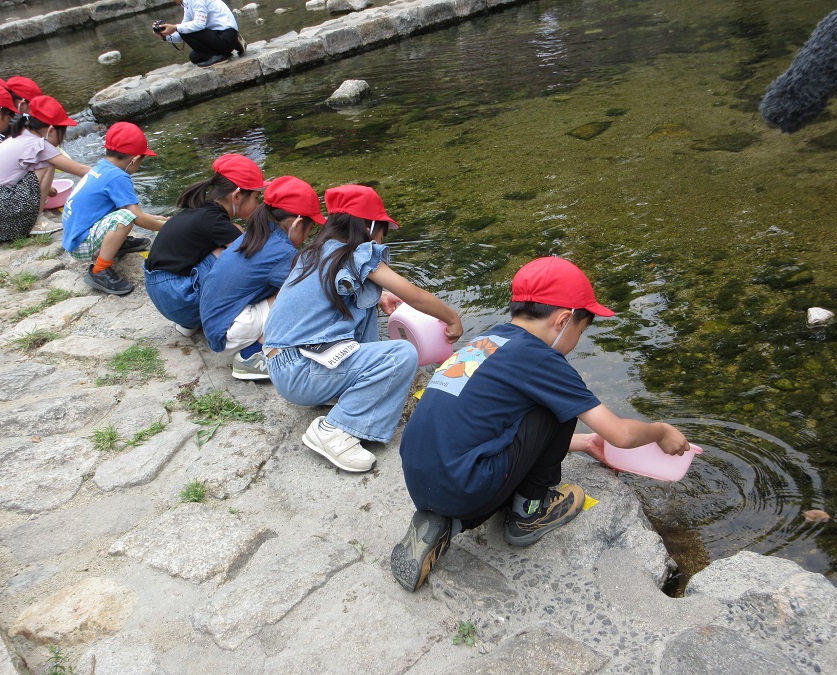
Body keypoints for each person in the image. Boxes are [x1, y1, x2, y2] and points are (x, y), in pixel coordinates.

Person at [390, 257, 691, 592]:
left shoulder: (485, 343)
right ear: (564, 320)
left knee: (543, 404)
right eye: (582, 328)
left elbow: (488, 422)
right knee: (561, 403)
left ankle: (447, 522)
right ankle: (529, 514)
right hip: (466, 483)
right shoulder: (543, 360)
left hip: (420, 478)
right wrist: (661, 431)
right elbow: (619, 434)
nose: (577, 338)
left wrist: (582, 443)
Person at [262, 185, 464, 473]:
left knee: (367, 303)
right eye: (383, 231)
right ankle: (335, 430)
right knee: (401, 355)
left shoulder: (315, 253)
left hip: (283, 363)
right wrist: (451, 317)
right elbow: (415, 295)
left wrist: (379, 296)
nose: (382, 239)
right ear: (369, 227)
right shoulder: (358, 255)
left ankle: (346, 391)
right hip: (301, 371)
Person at [199, 174, 325, 378]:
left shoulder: (258, 233)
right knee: (303, 296)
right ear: (297, 223)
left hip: (215, 323)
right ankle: (253, 355)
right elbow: (313, 289)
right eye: (310, 230)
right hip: (228, 332)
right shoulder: (281, 253)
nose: (307, 237)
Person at [144, 154, 267, 336]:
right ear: (237, 196)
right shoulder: (216, 222)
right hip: (180, 299)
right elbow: (253, 258)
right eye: (256, 198)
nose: (258, 205)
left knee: (231, 239)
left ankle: (189, 323)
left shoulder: (201, 210)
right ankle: (210, 316)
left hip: (161, 293)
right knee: (238, 248)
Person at [62, 122, 167, 296]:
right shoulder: (118, 176)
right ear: (134, 158)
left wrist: (161, 219)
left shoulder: (102, 168)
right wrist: (167, 227)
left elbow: (137, 214)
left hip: (76, 236)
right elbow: (135, 217)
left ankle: (116, 244)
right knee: (124, 217)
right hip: (82, 246)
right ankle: (99, 270)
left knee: (124, 214)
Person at [0, 96, 89, 245]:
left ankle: (26, 220)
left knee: (40, 165)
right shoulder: (40, 144)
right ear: (52, 130)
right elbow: (81, 170)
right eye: (63, 133)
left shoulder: (17, 137)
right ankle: (35, 221)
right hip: (3, 208)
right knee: (48, 164)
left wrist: (48, 189)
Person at [154, 0, 246, 68]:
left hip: (225, 35)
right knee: (194, 57)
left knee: (183, 29)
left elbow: (199, 24)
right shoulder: (188, 4)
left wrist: (175, 27)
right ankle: (232, 46)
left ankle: (220, 56)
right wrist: (165, 36)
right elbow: (183, 31)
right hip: (220, 35)